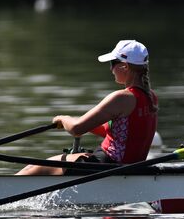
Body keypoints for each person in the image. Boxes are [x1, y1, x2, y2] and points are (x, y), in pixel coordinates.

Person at [17, 39, 158, 175]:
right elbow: (122, 135)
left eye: (112, 63)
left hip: (106, 165)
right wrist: (84, 122)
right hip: (127, 166)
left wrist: (64, 118)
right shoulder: (151, 97)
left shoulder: (122, 98)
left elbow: (76, 129)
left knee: (35, 168)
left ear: (125, 66)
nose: (111, 69)